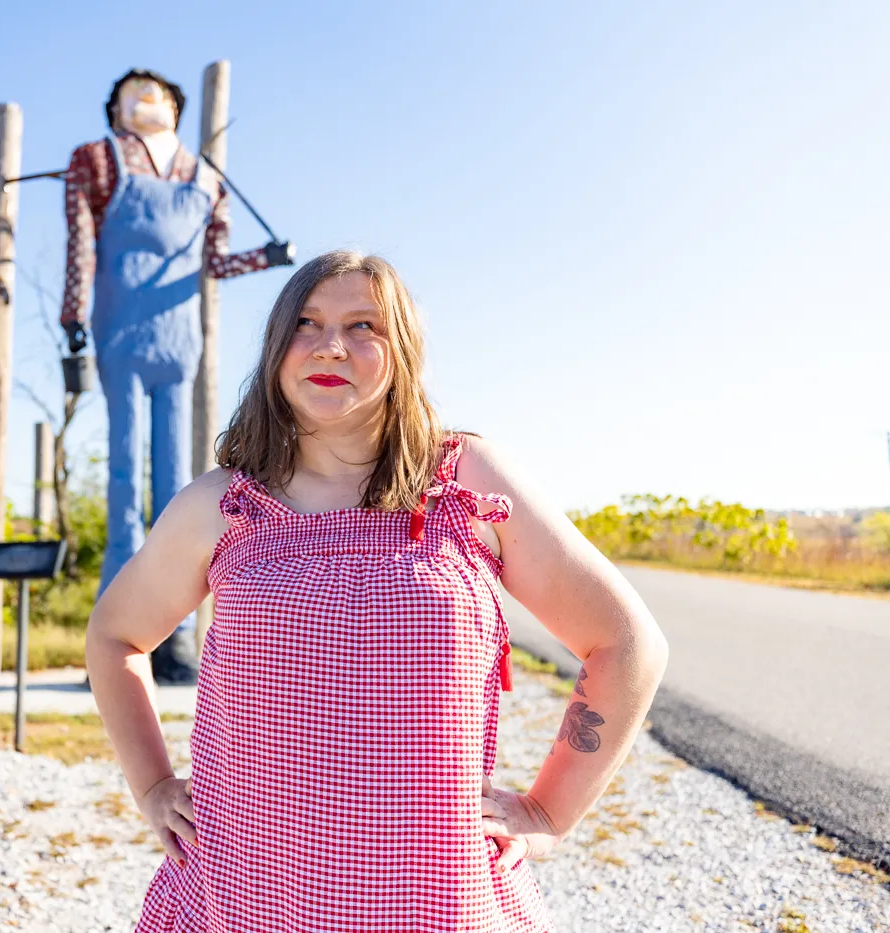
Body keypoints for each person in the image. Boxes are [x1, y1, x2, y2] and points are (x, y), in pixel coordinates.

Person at [84, 249, 670, 931]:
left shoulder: (467, 480)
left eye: (365, 325)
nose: (331, 344)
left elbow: (627, 644)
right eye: (306, 322)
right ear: (277, 349)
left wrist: (547, 811)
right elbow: (115, 636)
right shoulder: (222, 505)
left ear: (403, 353)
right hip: (245, 896)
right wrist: (153, 785)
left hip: (437, 901)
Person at [62, 68, 294, 685]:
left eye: (156, 92)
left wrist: (266, 259)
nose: (143, 98)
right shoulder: (98, 161)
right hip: (119, 335)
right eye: (129, 92)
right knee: (121, 482)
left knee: (181, 488)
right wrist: (72, 318)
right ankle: (115, 636)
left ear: (176, 107)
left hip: (178, 340)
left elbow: (214, 260)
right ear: (113, 109)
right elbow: (80, 247)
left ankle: (176, 639)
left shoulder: (205, 177)